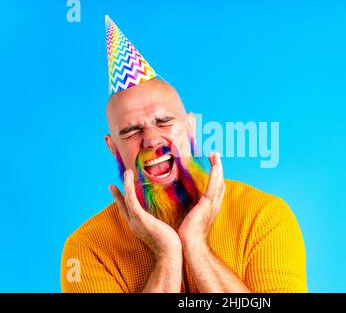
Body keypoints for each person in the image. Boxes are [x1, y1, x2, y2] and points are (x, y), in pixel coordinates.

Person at [60, 16, 307, 293]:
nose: (152, 139)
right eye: (131, 131)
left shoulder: (263, 217)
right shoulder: (87, 247)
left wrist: (196, 247)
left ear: (191, 128)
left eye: (164, 121)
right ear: (113, 147)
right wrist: (167, 256)